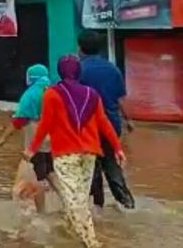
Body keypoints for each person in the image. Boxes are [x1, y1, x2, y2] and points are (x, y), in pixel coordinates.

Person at [26, 55, 126, 248]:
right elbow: (103, 123)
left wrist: (32, 149)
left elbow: (45, 125)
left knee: (74, 200)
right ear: (79, 72)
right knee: (79, 196)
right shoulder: (92, 94)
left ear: (60, 72)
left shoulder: (52, 94)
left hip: (65, 155)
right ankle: (74, 235)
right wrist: (117, 148)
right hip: (89, 153)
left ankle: (91, 242)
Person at [78, 30, 135, 210]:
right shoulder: (112, 69)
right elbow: (120, 99)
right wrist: (129, 120)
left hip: (88, 128)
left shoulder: (78, 70)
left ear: (80, 48)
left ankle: (98, 208)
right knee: (111, 164)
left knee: (92, 167)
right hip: (111, 125)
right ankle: (127, 203)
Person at [0, 64, 58, 213]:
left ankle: (42, 212)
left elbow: (19, 121)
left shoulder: (30, 94)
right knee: (50, 172)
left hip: (36, 140)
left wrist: (3, 138)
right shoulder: (53, 91)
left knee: (39, 177)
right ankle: (69, 200)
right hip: (53, 139)